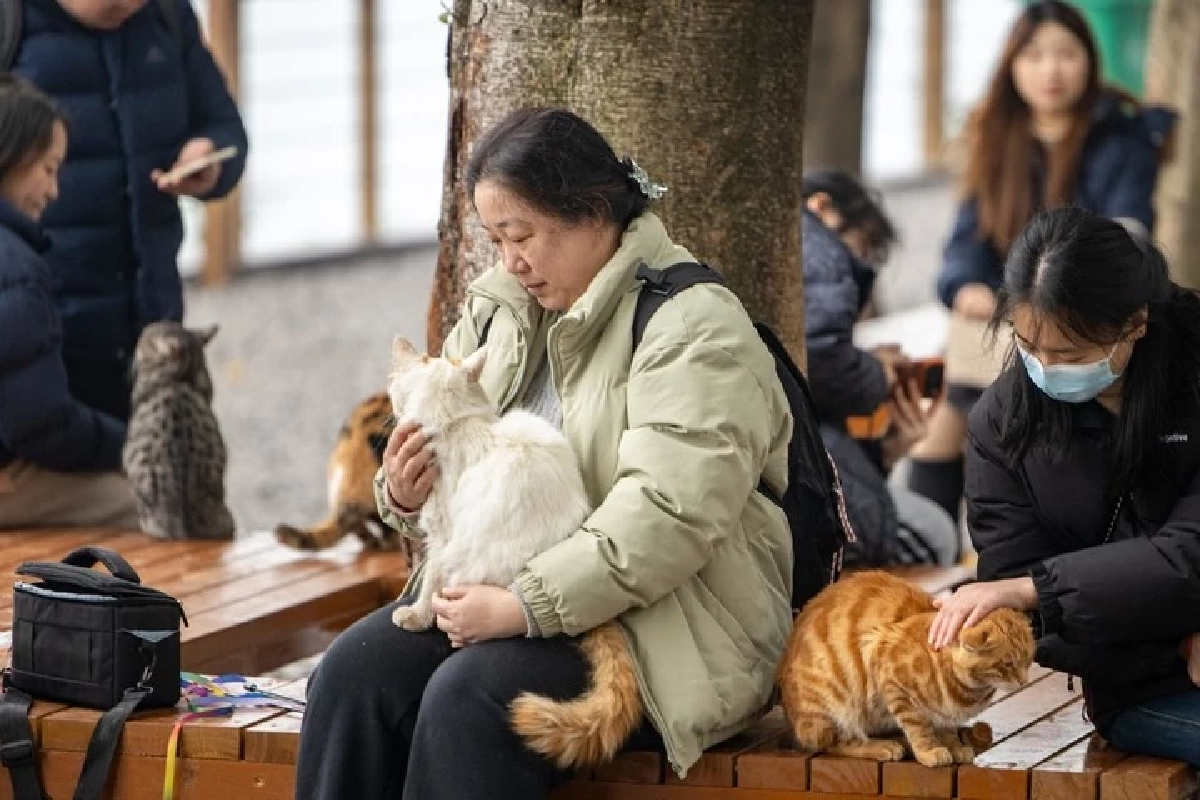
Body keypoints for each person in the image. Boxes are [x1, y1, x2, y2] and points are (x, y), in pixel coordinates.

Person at [294, 108, 796, 799]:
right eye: (497, 239)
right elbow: (467, 483)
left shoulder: (694, 326)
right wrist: (405, 496)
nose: (510, 261)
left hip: (664, 628)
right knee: (355, 673)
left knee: (471, 700)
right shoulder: (500, 310)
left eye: (521, 235)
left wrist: (523, 606)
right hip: (506, 597)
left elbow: (668, 518)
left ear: (593, 212)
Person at [928, 207, 1200, 767]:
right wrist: (1170, 642)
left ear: (1136, 322)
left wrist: (1035, 589)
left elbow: (1190, 550)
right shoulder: (1002, 424)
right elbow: (1018, 606)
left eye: (1070, 355)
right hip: (1141, 687)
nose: (1046, 367)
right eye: (1028, 345)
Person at [906, 0, 1176, 522]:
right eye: (1033, 56)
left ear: (1088, 60)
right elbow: (964, 246)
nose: (1050, 71)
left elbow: (1129, 238)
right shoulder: (992, 137)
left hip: (1087, 305)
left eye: (1065, 54)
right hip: (1007, 310)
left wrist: (1051, 291)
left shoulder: (1124, 137)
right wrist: (966, 288)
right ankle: (922, 539)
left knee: (985, 393)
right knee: (950, 407)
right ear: (1012, 66)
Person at [12, 0, 248, 422]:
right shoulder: (12, 24)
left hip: (156, 332)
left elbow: (224, 125)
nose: (129, 6)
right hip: (41, 343)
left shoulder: (167, 16)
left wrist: (210, 159)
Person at [0, 76, 138, 530]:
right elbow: (41, 424)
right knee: (145, 503)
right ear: (12, 156)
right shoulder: (14, 266)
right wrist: (130, 446)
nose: (55, 191)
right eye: (49, 168)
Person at [801, 169, 958, 566]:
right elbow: (821, 357)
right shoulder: (818, 248)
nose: (859, 276)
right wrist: (878, 372)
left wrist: (887, 452)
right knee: (932, 535)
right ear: (822, 207)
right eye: (861, 251)